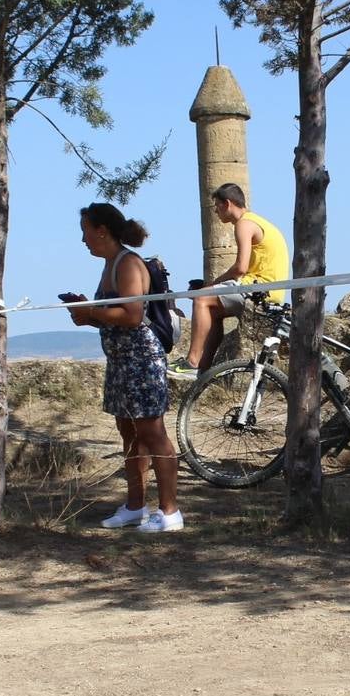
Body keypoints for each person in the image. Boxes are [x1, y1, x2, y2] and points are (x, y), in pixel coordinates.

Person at [64, 203, 182, 533]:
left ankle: (170, 511)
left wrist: (92, 310)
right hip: (120, 362)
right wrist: (87, 315)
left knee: (152, 433)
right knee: (129, 435)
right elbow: (113, 318)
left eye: (85, 230)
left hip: (141, 361)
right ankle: (134, 506)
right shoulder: (108, 265)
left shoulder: (128, 263)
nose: (83, 239)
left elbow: (131, 315)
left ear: (102, 230)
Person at [168, 183, 290, 380]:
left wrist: (211, 285)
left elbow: (240, 268)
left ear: (227, 204)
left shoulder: (244, 224)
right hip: (269, 290)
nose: (215, 211)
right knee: (213, 311)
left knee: (201, 299)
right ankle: (203, 369)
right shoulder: (257, 221)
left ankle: (192, 362)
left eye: (216, 206)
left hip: (259, 291)